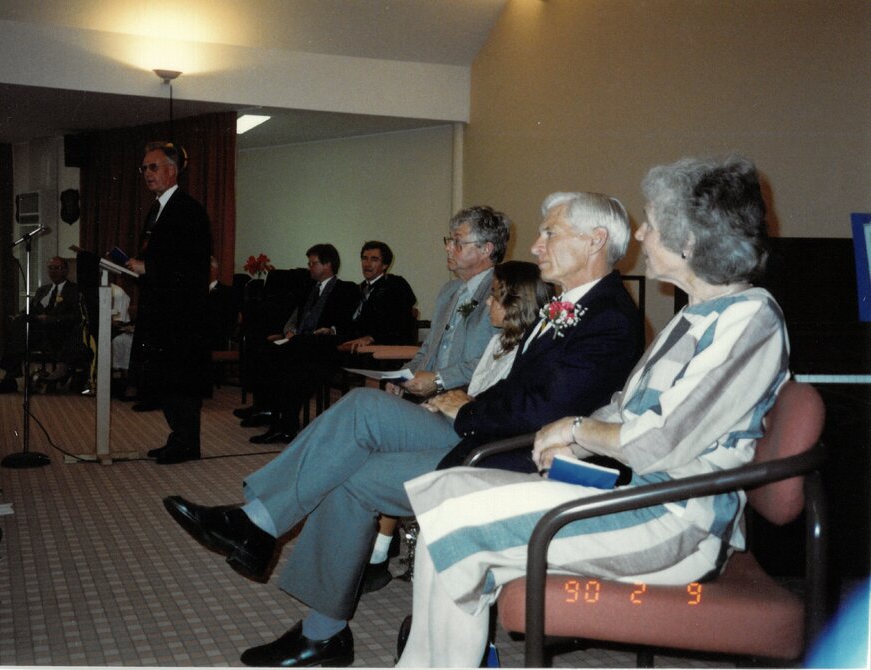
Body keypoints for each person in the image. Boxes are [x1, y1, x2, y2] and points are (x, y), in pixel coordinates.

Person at [162, 194, 644, 667]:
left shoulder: (607, 318)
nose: (536, 245)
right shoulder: (572, 303)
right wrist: (466, 404)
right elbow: (520, 387)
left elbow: (544, 409)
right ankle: (293, 580)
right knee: (360, 412)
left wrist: (465, 410)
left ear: (595, 241)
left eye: (549, 233)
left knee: (353, 459)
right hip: (484, 431)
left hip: (512, 457)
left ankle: (269, 545)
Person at [396, 155, 788, 667]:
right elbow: (628, 405)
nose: (641, 234)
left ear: (690, 241)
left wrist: (576, 428)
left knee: (452, 520)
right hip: (639, 497)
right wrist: (572, 438)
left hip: (675, 522)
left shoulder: (750, 319)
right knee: (442, 498)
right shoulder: (695, 316)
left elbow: (657, 441)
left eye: (652, 222)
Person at [127, 141, 212, 465]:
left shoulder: (188, 210)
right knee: (166, 381)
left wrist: (149, 268)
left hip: (181, 315)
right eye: (144, 168)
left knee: (180, 381)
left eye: (153, 166)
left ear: (172, 170)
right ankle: (178, 437)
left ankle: (187, 443)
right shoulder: (157, 208)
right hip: (161, 308)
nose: (147, 173)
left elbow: (193, 265)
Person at [241, 244, 361, 444]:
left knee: (288, 361)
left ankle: (284, 423)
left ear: (328, 264)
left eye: (313, 263)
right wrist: (289, 330)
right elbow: (296, 315)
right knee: (264, 349)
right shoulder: (309, 288)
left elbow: (347, 322)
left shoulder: (345, 289)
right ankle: (267, 408)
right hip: (301, 341)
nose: (309, 267)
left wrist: (331, 329)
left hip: (324, 346)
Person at [0, 257, 87, 394]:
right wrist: (20, 316)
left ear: (65, 270)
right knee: (19, 323)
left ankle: (10, 378)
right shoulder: (43, 290)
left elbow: (76, 317)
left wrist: (52, 319)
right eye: (50, 268)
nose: (53, 271)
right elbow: (29, 309)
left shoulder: (74, 290)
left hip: (59, 332)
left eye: (57, 268)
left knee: (19, 330)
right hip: (38, 330)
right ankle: (10, 378)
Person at [338, 241, 418, 352]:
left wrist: (372, 337)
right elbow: (349, 320)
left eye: (374, 259)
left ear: (385, 265)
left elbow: (399, 322)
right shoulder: (357, 289)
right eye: (364, 258)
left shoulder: (396, 285)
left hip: (382, 348)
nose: (367, 264)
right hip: (352, 343)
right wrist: (333, 330)